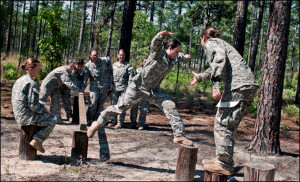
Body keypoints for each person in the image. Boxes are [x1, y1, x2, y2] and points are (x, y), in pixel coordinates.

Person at [88, 30, 193, 146]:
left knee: (170, 105)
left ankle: (179, 135)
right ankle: (97, 123)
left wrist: (186, 57)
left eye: (179, 52)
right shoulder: (159, 53)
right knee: (120, 107)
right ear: (170, 48)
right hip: (137, 87)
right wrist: (159, 36)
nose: (178, 54)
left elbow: (180, 57)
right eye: (177, 51)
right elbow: (155, 44)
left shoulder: (173, 58)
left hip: (152, 91)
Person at [190, 26, 258, 175]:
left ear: (203, 38)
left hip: (237, 87)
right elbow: (215, 66)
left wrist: (215, 84)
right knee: (225, 123)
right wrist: (200, 77)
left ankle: (225, 164)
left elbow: (219, 60)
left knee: (223, 124)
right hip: (246, 87)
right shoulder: (223, 44)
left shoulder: (211, 43)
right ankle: (221, 159)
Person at [12, 58, 57, 153]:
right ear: (30, 69)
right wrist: (45, 110)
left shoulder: (20, 80)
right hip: (26, 117)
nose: (39, 72)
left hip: (19, 114)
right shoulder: (31, 83)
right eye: (38, 69)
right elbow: (34, 106)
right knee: (52, 119)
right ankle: (38, 140)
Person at [83, 49, 114, 126]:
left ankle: (96, 121)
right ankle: (89, 119)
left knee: (100, 105)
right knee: (93, 104)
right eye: (94, 55)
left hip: (104, 86)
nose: (96, 57)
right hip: (94, 87)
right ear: (90, 56)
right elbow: (85, 79)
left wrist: (109, 75)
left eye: (97, 55)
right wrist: (82, 89)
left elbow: (110, 64)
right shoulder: (87, 66)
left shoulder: (103, 60)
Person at [108, 49, 135, 129]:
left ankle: (120, 123)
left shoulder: (128, 66)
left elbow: (131, 78)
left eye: (123, 55)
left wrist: (129, 87)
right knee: (113, 105)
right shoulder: (114, 65)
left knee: (121, 106)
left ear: (125, 56)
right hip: (114, 88)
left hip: (124, 89)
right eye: (120, 55)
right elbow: (111, 76)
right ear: (117, 55)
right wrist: (110, 84)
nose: (121, 56)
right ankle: (113, 121)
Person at [129, 58, 149, 130]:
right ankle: (133, 122)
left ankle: (141, 124)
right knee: (134, 107)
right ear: (142, 62)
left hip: (146, 92)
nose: (146, 62)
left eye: (147, 61)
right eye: (144, 61)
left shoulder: (150, 71)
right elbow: (133, 80)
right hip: (137, 92)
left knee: (143, 109)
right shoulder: (137, 70)